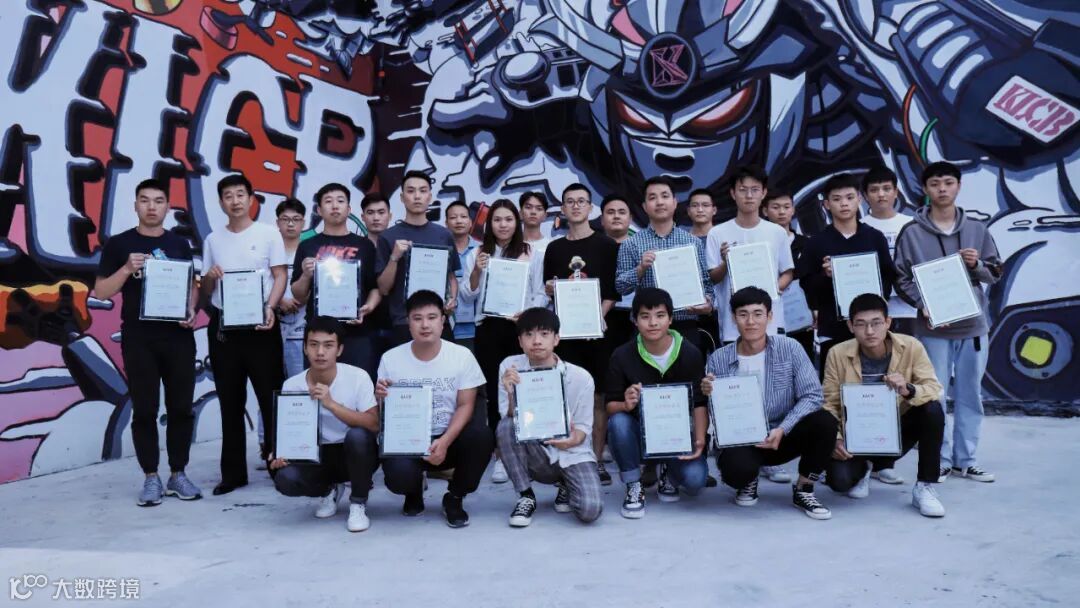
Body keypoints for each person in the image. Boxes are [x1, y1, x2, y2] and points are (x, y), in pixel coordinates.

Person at [94, 178, 202, 506]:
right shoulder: (119, 244)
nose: (152, 207)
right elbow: (101, 291)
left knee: (181, 408)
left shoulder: (179, 243)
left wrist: (191, 309)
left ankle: (178, 473)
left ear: (167, 206)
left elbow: (191, 284)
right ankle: (151, 476)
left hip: (178, 337)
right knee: (145, 409)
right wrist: (127, 268)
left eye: (158, 200)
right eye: (145, 200)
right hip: (139, 338)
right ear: (135, 205)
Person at [894, 161, 1002, 483]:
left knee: (971, 395)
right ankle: (938, 460)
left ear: (958, 186)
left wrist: (977, 264)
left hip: (973, 328)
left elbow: (995, 273)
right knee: (933, 396)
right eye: (935, 184)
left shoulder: (978, 229)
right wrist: (922, 304)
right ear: (925, 189)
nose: (942, 189)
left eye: (948, 183)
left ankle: (966, 460)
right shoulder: (912, 232)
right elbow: (901, 277)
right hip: (933, 330)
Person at [703, 287, 837, 520]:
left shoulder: (790, 348)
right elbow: (720, 414)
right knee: (736, 472)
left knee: (824, 422)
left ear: (770, 316)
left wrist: (783, 427)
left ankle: (804, 488)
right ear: (734, 318)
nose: (751, 321)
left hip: (783, 435)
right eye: (743, 314)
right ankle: (749, 480)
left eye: (758, 314)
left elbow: (813, 395)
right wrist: (709, 394)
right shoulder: (719, 358)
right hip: (744, 439)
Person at [372, 290, 495, 527]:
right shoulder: (391, 359)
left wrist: (445, 441)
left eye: (431, 317)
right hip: (409, 440)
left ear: (443, 320)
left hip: (450, 437)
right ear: (408, 322)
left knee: (481, 436)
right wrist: (381, 398)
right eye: (417, 318)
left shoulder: (462, 356)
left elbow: (466, 404)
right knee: (398, 476)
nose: (425, 325)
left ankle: (455, 497)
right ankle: (413, 490)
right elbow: (387, 414)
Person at [200, 173, 288, 496]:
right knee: (230, 402)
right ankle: (233, 473)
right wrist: (210, 277)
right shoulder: (213, 240)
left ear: (251, 199)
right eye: (228, 196)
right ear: (221, 202)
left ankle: (280, 465)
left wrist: (271, 307)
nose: (235, 201)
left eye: (240, 194)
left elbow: (280, 275)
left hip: (261, 326)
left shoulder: (268, 234)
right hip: (225, 329)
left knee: (270, 398)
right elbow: (206, 290)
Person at [821, 294, 946, 517]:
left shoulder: (911, 347)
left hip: (896, 432)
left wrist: (908, 389)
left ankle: (925, 486)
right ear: (850, 326)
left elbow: (934, 388)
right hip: (856, 437)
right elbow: (829, 402)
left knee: (932, 409)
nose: (869, 331)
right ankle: (866, 468)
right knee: (839, 483)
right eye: (861, 324)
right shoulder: (837, 354)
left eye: (876, 323)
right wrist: (836, 438)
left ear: (888, 322)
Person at [605, 288, 709, 519]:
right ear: (634, 320)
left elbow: (699, 402)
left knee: (695, 480)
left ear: (670, 318)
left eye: (660, 315)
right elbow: (610, 406)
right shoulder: (622, 355)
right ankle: (633, 484)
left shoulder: (690, 353)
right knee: (618, 422)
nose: (653, 323)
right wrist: (625, 404)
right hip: (639, 437)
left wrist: (700, 439)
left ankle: (668, 473)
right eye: (645, 316)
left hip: (677, 439)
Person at [541, 183, 620, 486]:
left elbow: (612, 291)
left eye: (581, 201)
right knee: (565, 396)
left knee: (598, 397)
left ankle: (595, 460)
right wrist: (550, 288)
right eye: (570, 202)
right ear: (562, 209)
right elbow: (549, 289)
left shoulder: (606, 245)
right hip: (564, 335)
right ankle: (565, 460)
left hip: (597, 333)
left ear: (590, 207)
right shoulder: (554, 248)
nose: (575, 206)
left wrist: (595, 318)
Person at [269, 317, 379, 532]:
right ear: (304, 348)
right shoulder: (292, 385)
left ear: (339, 350)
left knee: (358, 436)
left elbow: (374, 424)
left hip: (353, 453)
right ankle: (328, 491)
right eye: (313, 344)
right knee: (285, 478)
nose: (320, 352)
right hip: (317, 455)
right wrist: (280, 453)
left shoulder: (358, 377)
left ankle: (358, 503)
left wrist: (331, 404)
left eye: (328, 345)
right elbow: (287, 431)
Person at [460, 200, 543, 482]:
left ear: (516, 222)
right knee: (497, 392)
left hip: (520, 327)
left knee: (526, 386)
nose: (503, 225)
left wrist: (526, 313)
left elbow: (539, 293)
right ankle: (500, 454)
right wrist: (477, 270)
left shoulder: (530, 253)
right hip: (489, 328)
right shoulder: (478, 253)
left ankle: (531, 451)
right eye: (497, 220)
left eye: (508, 219)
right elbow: (467, 295)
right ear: (489, 224)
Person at [495, 308, 603, 526]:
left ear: (556, 339)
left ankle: (566, 485)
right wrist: (511, 393)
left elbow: (583, 427)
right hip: (536, 450)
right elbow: (510, 416)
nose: (536, 341)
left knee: (590, 510)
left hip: (572, 452)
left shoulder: (580, 377)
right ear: (520, 341)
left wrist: (571, 440)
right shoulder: (510, 367)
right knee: (506, 426)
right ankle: (526, 495)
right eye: (529, 334)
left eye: (544, 334)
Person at [796, 172, 896, 381]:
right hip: (832, 327)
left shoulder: (874, 237)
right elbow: (806, 285)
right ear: (826, 204)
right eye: (836, 199)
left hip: (872, 329)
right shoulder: (815, 242)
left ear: (859, 199)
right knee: (836, 388)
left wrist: (876, 302)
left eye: (850, 197)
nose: (844, 204)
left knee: (876, 385)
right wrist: (825, 276)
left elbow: (888, 277)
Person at [289, 183, 382, 379]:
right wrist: (305, 275)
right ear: (319, 210)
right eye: (328, 201)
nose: (335, 206)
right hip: (319, 335)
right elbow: (299, 295)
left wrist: (368, 308)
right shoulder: (307, 246)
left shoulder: (365, 245)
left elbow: (375, 287)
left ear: (348, 209)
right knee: (319, 388)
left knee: (360, 387)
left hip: (359, 332)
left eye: (340, 201)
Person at [615, 176, 713, 352]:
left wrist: (707, 304)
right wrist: (640, 269)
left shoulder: (693, 242)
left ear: (675, 203)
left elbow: (706, 284)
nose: (659, 202)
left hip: (686, 324)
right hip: (648, 327)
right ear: (644, 206)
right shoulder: (631, 243)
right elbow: (621, 287)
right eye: (652, 197)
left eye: (665, 196)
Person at [706, 166, 794, 345]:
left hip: (771, 323)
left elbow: (788, 272)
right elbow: (712, 277)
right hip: (733, 327)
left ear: (763, 193)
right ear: (733, 193)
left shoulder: (777, 232)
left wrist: (773, 289)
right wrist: (726, 263)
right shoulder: (717, 233)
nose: (749, 196)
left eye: (755, 190)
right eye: (742, 190)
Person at [375, 170, 459, 349]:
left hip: (438, 320)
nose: (417, 196)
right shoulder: (388, 237)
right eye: (411, 191)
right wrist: (394, 257)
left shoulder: (444, 235)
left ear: (430, 196)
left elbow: (451, 277)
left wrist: (452, 298)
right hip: (403, 322)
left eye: (423, 190)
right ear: (402, 197)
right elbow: (383, 288)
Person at [860, 166, 917, 334]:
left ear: (896, 192)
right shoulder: (859, 227)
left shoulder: (912, 224)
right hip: (872, 305)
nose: (881, 194)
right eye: (874, 190)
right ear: (865, 195)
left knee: (908, 349)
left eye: (886, 188)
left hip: (909, 305)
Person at [763, 190, 814, 362]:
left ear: (793, 210)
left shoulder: (806, 243)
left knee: (802, 361)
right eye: (776, 207)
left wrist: (814, 308)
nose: (782, 212)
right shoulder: (759, 244)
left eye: (786, 207)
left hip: (800, 313)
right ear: (765, 211)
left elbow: (811, 279)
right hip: (768, 312)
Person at [275, 198, 308, 378]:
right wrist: (279, 300)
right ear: (277, 223)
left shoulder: (310, 252)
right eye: (285, 219)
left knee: (299, 382)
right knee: (272, 383)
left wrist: (302, 297)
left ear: (303, 223)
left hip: (302, 328)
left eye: (296, 219)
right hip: (273, 328)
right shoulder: (270, 252)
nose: (290, 224)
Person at [360, 192, 395, 356]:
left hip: (395, 322)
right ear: (362, 217)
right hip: (362, 325)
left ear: (390, 216)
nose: (376, 218)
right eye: (370, 212)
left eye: (381, 212)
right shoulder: (355, 248)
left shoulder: (400, 247)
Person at [600, 194, 636, 354]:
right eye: (610, 212)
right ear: (602, 219)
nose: (616, 216)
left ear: (630, 218)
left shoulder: (640, 247)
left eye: (622, 212)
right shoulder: (593, 248)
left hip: (636, 316)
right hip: (604, 316)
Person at [446, 200, 480, 350]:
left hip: (476, 328)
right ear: (446, 223)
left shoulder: (482, 251)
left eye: (463, 217)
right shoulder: (440, 251)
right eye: (453, 217)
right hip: (446, 326)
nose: (459, 221)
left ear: (471, 222)